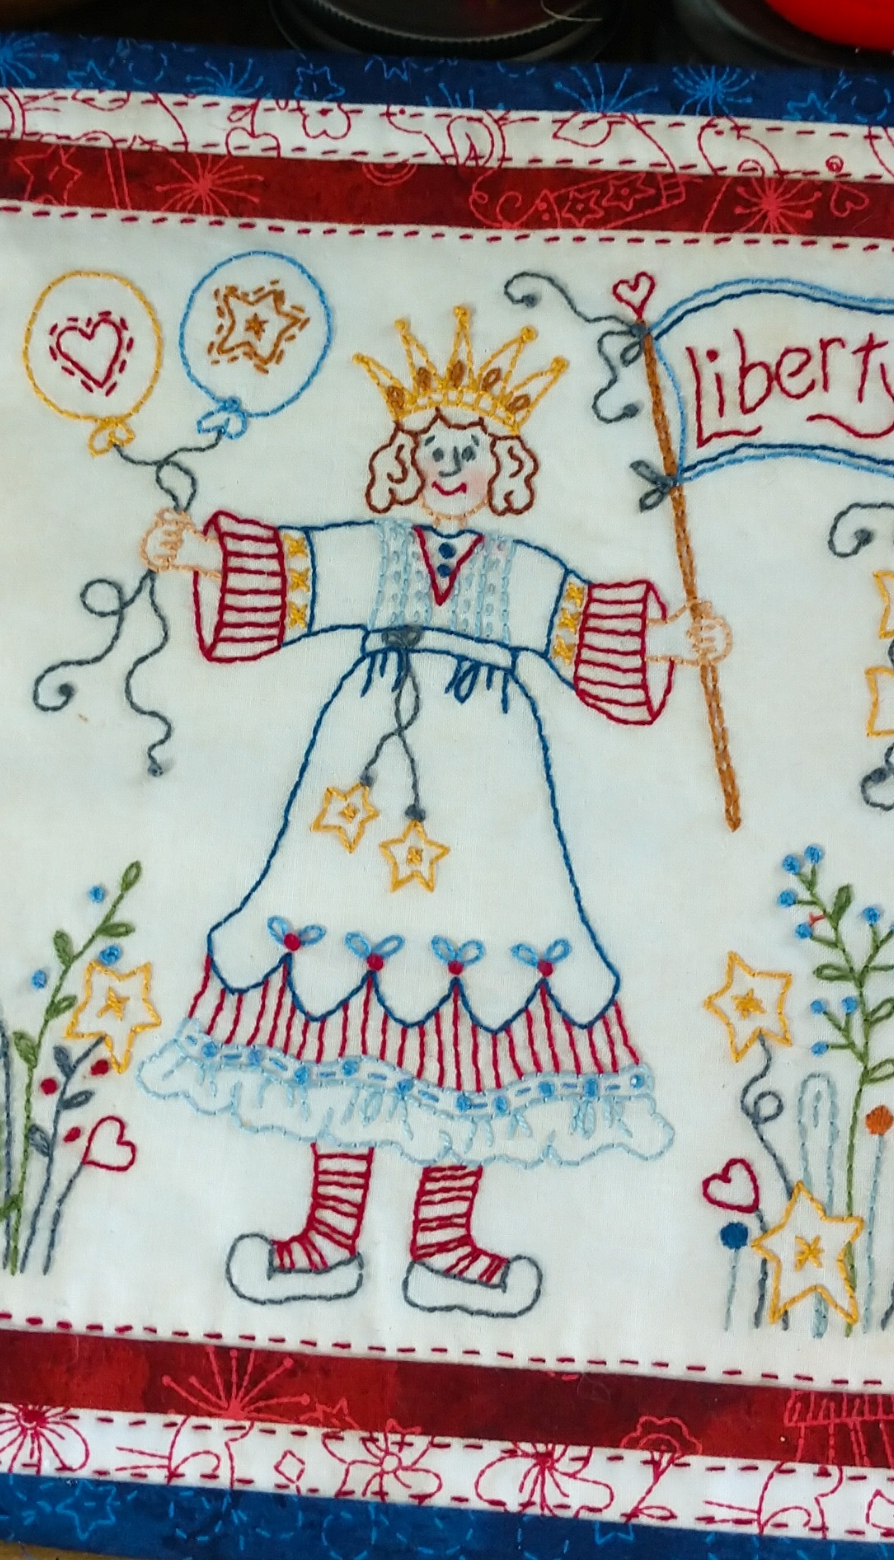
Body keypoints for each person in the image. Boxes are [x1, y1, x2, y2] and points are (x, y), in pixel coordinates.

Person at [136, 308, 731, 1318]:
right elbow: (300, 579)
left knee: (479, 1000)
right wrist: (194, 555)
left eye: (470, 452)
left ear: (503, 470)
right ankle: (327, 1238)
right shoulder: (382, 552)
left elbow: (579, 631)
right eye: (433, 451)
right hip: (363, 792)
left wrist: (677, 643)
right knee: (342, 996)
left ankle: (445, 1244)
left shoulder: (517, 569)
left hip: (491, 798)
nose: (450, 469)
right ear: (403, 464)